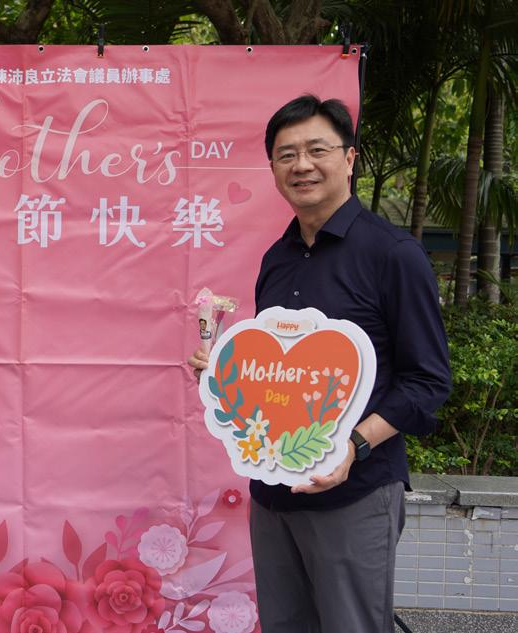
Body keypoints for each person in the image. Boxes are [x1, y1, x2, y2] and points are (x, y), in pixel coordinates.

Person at [188, 95, 450, 632]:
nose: (301, 165)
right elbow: (280, 373)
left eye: (316, 150)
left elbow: (427, 381)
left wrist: (353, 447)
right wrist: (224, 376)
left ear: (349, 158)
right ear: (272, 168)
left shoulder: (393, 255)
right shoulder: (277, 258)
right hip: (272, 493)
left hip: (354, 491)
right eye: (286, 155)